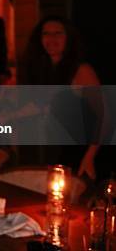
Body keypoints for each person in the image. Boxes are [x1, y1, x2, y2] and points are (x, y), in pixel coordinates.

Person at [21, 16, 103, 180]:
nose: (51, 39)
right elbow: (39, 107)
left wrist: (90, 156)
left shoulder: (82, 70)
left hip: (79, 153)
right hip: (52, 151)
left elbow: (104, 116)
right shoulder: (44, 70)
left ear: (68, 38)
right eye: (46, 34)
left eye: (58, 33)